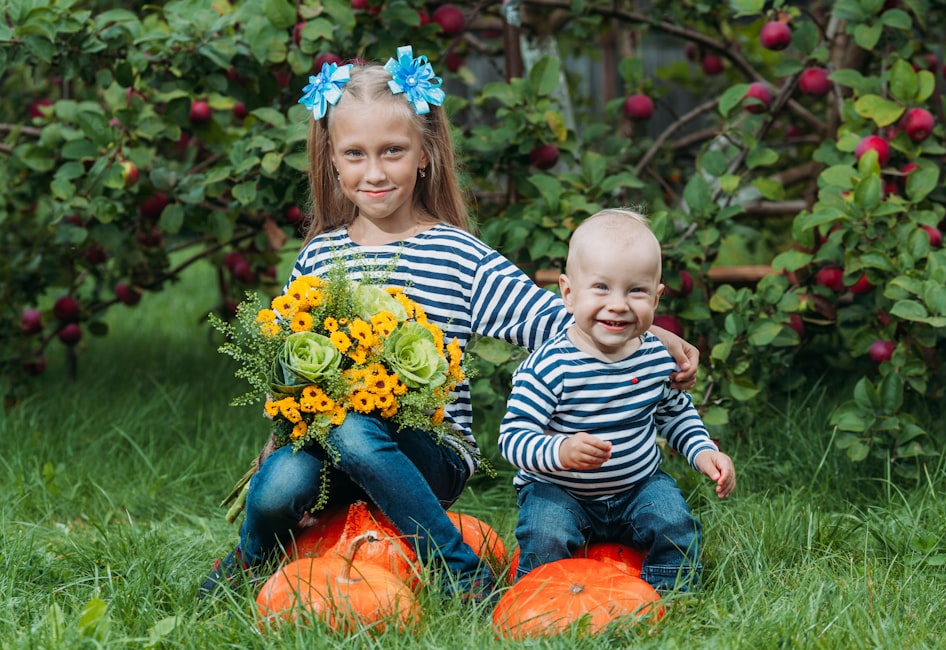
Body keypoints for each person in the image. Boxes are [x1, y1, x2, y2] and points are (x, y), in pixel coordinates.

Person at [199, 47, 700, 603]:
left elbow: (555, 321)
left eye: (392, 151)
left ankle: (458, 569)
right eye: (355, 154)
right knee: (278, 488)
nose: (375, 171)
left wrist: (649, 332)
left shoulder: (456, 254)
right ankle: (251, 557)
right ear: (333, 161)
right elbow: (292, 370)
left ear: (424, 154)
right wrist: (279, 437)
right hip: (334, 455)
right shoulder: (319, 258)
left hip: (432, 453)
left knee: (355, 424)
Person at [498, 208, 735, 594]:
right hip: (561, 489)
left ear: (657, 297)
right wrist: (560, 450)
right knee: (546, 531)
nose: (619, 304)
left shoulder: (657, 356)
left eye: (636, 290)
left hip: (637, 486)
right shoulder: (549, 365)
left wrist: (703, 452)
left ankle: (670, 597)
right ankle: (542, 597)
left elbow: (675, 415)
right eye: (602, 288)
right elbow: (513, 438)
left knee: (674, 521)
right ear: (569, 293)